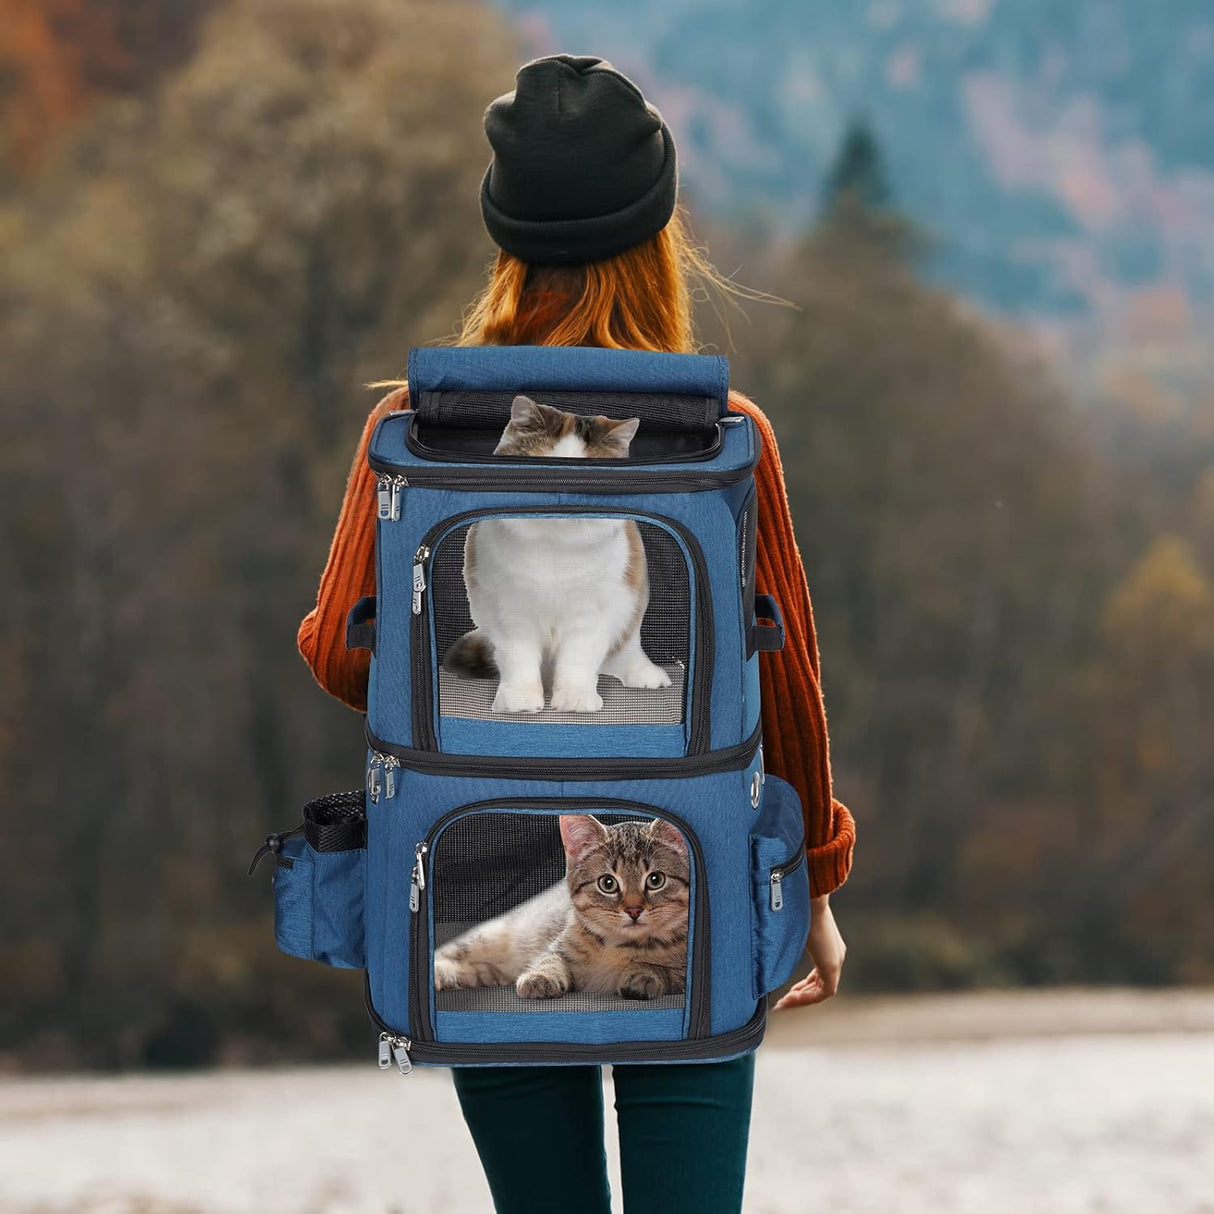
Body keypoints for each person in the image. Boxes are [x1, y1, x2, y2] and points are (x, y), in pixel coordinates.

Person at [298, 53, 855, 1214]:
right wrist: (811, 884)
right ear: (657, 234)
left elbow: (346, 654)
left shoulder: (413, 431)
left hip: (468, 875)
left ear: (502, 233)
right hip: (694, 878)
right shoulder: (719, 433)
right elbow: (782, 683)